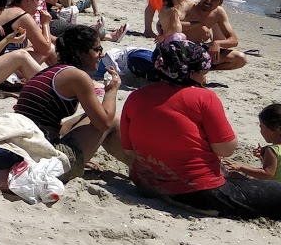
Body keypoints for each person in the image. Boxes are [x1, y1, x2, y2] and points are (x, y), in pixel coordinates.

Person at [118, 39, 281, 219]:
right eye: (203, 72)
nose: (205, 78)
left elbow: (128, 149)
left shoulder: (135, 97)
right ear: (190, 72)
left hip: (146, 183)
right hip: (196, 192)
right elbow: (226, 149)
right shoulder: (204, 98)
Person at [12, 26, 123, 181]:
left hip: (25, 145)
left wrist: (86, 145)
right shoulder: (77, 77)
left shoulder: (52, 71)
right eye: (97, 49)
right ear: (80, 53)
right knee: (113, 119)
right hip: (41, 157)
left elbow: (51, 123)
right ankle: (138, 168)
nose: (101, 54)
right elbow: (103, 123)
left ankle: (138, 167)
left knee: (88, 116)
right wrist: (112, 90)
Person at [180, 0, 247, 71]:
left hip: (199, 49)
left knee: (240, 58)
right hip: (179, 48)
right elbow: (166, 25)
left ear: (220, 2)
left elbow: (233, 40)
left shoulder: (218, 13)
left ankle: (203, 70)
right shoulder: (187, 6)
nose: (208, 1)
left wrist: (217, 43)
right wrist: (197, 24)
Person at [223, 104, 280, 182]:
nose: (260, 130)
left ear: (272, 129)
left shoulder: (272, 150)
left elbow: (267, 174)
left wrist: (242, 168)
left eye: (261, 126)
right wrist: (262, 157)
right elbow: (276, 168)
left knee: (233, 175)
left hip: (273, 190)